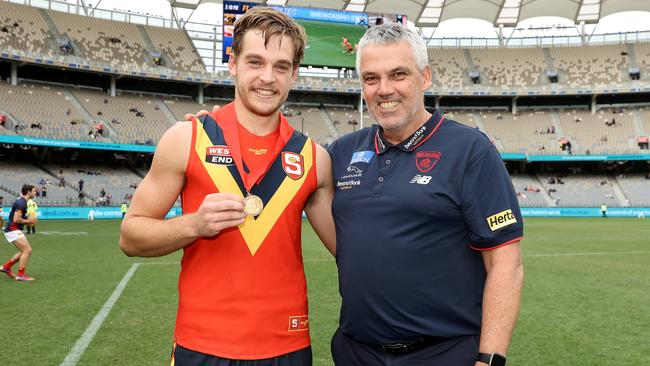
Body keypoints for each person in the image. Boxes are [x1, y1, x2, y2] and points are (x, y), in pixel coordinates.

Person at [119, 7, 335, 366]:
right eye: (255, 62)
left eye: (281, 66)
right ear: (233, 63)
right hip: (201, 345)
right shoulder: (187, 138)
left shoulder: (316, 159)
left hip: (288, 347)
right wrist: (194, 225)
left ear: (294, 74)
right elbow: (130, 236)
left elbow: (352, 251)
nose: (267, 77)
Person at [326, 23, 524, 366]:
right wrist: (208, 125)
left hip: (441, 354)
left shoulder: (470, 150)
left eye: (398, 74)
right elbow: (285, 165)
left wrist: (490, 359)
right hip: (355, 352)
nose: (384, 89)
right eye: (371, 79)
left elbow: (506, 263)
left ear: (425, 77)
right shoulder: (341, 152)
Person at [1, 185, 38, 281]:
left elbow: (19, 218)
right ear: (28, 192)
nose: (35, 192)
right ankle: (20, 275)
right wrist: (29, 221)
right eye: (34, 191)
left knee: (24, 251)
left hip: (14, 229)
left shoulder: (22, 202)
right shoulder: (21, 203)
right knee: (27, 250)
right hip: (13, 230)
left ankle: (6, 267)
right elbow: (16, 219)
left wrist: (28, 219)